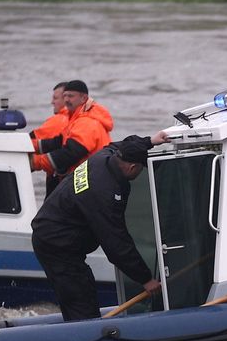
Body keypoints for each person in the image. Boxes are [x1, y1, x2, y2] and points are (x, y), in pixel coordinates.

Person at [31, 133, 167, 321]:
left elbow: (122, 144)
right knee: (81, 300)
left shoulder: (105, 156)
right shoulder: (104, 193)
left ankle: (78, 330)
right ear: (132, 167)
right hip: (56, 245)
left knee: (80, 292)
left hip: (54, 234)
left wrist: (150, 141)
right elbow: (116, 244)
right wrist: (146, 279)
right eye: (141, 170)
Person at [31, 79, 114, 195]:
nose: (66, 100)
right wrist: (27, 145)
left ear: (83, 98)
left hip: (89, 183)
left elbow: (71, 152)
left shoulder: (87, 122)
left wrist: (35, 162)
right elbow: (58, 142)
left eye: (70, 96)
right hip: (83, 181)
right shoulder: (76, 119)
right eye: (64, 96)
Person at [28, 81, 70, 192]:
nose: (52, 102)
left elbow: (27, 142)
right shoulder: (79, 121)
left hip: (59, 179)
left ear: (66, 99)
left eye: (55, 98)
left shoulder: (59, 121)